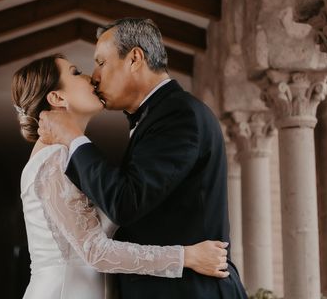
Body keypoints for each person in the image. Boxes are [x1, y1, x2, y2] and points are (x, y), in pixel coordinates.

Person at [38, 18, 247, 299]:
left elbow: (127, 202)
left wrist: (75, 138)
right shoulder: (160, 115)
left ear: (135, 59)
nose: (95, 76)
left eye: (101, 62)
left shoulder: (178, 115)